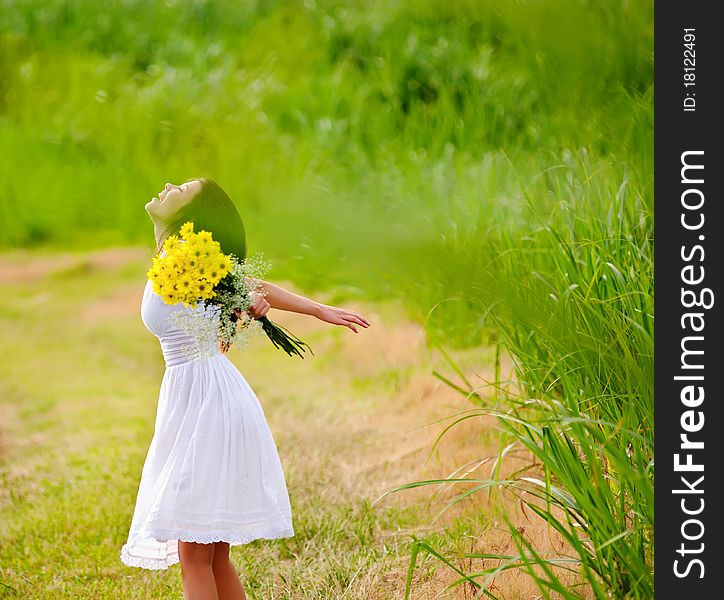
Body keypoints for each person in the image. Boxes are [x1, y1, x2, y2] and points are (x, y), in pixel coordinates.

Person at [120, 178, 371, 599]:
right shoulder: (180, 258)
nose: (168, 185)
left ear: (191, 217)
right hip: (202, 401)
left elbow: (251, 290)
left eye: (181, 188)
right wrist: (242, 301)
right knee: (212, 558)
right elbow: (241, 289)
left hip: (208, 406)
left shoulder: (189, 257)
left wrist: (315, 309)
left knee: (195, 559)